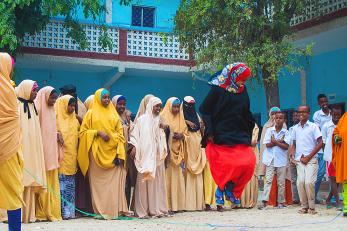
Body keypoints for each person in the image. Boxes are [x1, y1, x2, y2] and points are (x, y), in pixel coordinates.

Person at [199, 63, 256, 208]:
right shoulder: (218, 90)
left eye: (245, 80)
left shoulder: (242, 89)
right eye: (242, 79)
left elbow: (246, 110)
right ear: (233, 76)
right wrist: (210, 131)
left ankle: (231, 188)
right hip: (221, 132)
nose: (244, 82)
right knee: (228, 164)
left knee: (248, 163)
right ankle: (222, 188)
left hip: (240, 131)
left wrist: (251, 126)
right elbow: (204, 110)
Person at [78, 89, 127, 219]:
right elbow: (83, 133)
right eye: (104, 97)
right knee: (98, 185)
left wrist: (114, 142)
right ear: (98, 98)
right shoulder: (90, 113)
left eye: (108, 97)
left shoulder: (114, 114)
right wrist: (97, 133)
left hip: (113, 155)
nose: (106, 100)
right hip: (96, 154)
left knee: (112, 186)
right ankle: (100, 211)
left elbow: (120, 134)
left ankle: (113, 211)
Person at [129, 97, 169, 218]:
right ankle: (143, 210)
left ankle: (156, 209)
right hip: (145, 156)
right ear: (151, 106)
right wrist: (135, 147)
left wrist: (163, 129)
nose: (158, 109)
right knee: (144, 183)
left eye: (160, 106)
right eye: (156, 106)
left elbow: (161, 139)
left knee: (156, 184)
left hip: (157, 158)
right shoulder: (141, 120)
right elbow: (134, 135)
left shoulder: (159, 121)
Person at [16, 79, 47, 223]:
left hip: (31, 151)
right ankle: (13, 215)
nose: (35, 93)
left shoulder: (32, 107)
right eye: (33, 90)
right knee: (19, 180)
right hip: (21, 150)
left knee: (30, 182)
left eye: (36, 90)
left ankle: (28, 215)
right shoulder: (16, 106)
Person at [0, 52, 24, 231]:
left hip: (9, 146)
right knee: (14, 191)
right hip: (9, 150)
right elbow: (15, 118)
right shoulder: (9, 90)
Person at [34, 86, 62, 222]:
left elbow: (50, 129)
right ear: (45, 97)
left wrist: (57, 135)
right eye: (52, 98)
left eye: (55, 98)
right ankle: (41, 212)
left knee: (50, 182)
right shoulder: (37, 109)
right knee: (41, 184)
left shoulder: (52, 110)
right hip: (41, 152)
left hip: (51, 152)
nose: (53, 100)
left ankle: (50, 211)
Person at [290, 105, 323, 215]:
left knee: (309, 182)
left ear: (308, 114)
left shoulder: (313, 127)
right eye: (299, 112)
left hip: (311, 159)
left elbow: (320, 142)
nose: (301, 114)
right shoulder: (295, 128)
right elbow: (294, 143)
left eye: (304, 112)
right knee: (300, 182)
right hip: (299, 159)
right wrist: (292, 153)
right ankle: (304, 206)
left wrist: (309, 157)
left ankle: (312, 207)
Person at [55, 95, 80, 219]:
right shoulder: (56, 118)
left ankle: (70, 212)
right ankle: (62, 213)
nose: (72, 107)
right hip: (61, 158)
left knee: (70, 187)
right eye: (70, 105)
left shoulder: (75, 120)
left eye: (73, 105)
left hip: (72, 158)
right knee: (61, 187)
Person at [259, 112, 290, 209]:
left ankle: (281, 202)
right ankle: (265, 201)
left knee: (281, 182)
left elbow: (286, 147)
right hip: (270, 159)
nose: (278, 120)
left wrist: (275, 141)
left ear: (284, 120)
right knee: (268, 180)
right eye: (277, 118)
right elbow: (267, 144)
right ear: (274, 119)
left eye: (281, 118)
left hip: (281, 159)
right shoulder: (269, 131)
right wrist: (280, 141)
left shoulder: (286, 132)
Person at [161, 97, 187, 212]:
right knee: (167, 180)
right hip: (167, 153)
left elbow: (187, 134)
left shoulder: (182, 118)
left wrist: (182, 136)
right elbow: (160, 133)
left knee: (177, 180)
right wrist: (171, 135)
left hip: (178, 152)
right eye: (174, 107)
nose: (176, 109)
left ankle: (177, 206)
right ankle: (166, 206)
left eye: (178, 107)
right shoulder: (163, 117)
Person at [182, 96, 207, 211]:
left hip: (197, 146)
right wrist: (185, 121)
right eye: (188, 105)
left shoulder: (196, 115)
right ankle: (187, 204)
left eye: (192, 105)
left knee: (198, 173)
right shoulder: (180, 115)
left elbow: (201, 129)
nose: (190, 108)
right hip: (186, 148)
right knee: (187, 172)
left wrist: (202, 127)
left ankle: (198, 203)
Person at [112, 95, 134, 212]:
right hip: (116, 154)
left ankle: (125, 207)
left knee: (127, 181)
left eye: (124, 104)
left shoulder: (126, 117)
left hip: (127, 153)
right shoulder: (112, 117)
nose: (122, 106)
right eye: (119, 104)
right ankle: (116, 208)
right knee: (117, 181)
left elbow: (133, 132)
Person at [313, 94, 331, 202]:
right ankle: (313, 196)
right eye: (322, 102)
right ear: (319, 103)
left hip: (333, 147)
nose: (324, 104)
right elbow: (318, 131)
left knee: (332, 175)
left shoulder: (332, 113)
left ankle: (331, 197)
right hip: (322, 148)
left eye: (325, 101)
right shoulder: (317, 115)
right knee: (320, 173)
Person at [323, 106, 342, 208]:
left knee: (338, 179)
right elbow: (323, 142)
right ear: (331, 114)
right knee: (333, 179)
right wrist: (327, 155)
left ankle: (329, 199)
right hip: (330, 157)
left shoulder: (342, 126)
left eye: (338, 115)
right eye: (334, 115)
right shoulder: (326, 126)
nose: (336, 117)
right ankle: (338, 202)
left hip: (340, 157)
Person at [240, 123, 260, 208]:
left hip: (250, 153)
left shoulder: (254, 126)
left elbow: (253, 142)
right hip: (239, 155)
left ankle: (249, 202)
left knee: (250, 177)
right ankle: (239, 202)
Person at [259, 107, 282, 176]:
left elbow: (283, 140)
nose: (274, 116)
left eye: (276, 113)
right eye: (272, 114)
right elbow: (264, 144)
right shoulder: (266, 126)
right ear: (270, 115)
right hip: (269, 155)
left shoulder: (283, 125)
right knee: (269, 178)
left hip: (280, 154)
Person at [332, 111, 347, 216]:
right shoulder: (344, 118)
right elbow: (336, 131)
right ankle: (346, 206)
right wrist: (337, 137)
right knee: (346, 181)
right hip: (345, 155)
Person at [289, 111, 300, 204]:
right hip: (292, 156)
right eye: (294, 116)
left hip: (300, 157)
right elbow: (290, 144)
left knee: (301, 179)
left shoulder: (302, 129)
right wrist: (290, 156)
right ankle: (295, 199)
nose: (295, 117)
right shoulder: (290, 129)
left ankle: (302, 198)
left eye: (297, 115)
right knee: (293, 179)